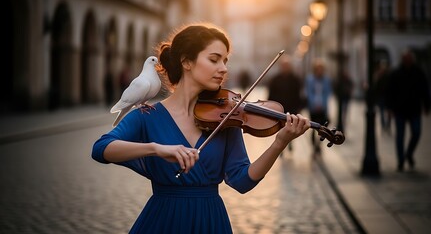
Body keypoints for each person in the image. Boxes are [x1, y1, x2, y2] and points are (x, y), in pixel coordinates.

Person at [91, 23, 310, 234]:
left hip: (210, 222)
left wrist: (279, 143)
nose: (223, 69)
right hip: (163, 220)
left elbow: (243, 181)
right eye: (214, 60)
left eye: (225, 61)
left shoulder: (225, 119)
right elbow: (101, 149)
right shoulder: (147, 116)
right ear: (187, 62)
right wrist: (156, 149)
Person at [385, 50, 431, 172]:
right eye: (405, 59)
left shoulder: (418, 72)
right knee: (400, 136)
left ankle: (409, 153)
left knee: (416, 133)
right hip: (399, 110)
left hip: (414, 109)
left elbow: (425, 90)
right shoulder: (396, 73)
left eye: (409, 58)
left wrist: (427, 106)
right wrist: (389, 108)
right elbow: (389, 92)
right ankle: (400, 160)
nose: (407, 61)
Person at [267, 56, 304, 155]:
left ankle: (289, 142)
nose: (285, 67)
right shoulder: (275, 79)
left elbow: (298, 94)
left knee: (291, 127)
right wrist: (270, 106)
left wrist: (299, 107)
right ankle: (281, 147)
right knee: (280, 127)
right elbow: (271, 94)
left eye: (287, 66)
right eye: (284, 66)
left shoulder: (295, 79)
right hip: (279, 108)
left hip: (292, 107)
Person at [305, 59, 332, 156]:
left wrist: (322, 105)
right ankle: (314, 145)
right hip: (313, 107)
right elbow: (308, 93)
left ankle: (318, 144)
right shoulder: (310, 79)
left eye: (321, 69)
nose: (319, 71)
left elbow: (327, 93)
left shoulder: (326, 80)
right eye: (318, 69)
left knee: (322, 127)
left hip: (322, 107)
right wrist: (314, 104)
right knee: (313, 126)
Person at [373, 59, 391, 133]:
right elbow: (376, 87)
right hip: (381, 97)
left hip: (388, 97)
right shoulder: (379, 76)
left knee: (388, 112)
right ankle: (383, 126)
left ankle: (387, 125)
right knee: (382, 112)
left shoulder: (389, 76)